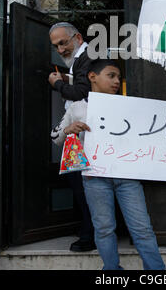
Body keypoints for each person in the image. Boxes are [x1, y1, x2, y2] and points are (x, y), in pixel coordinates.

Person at [51, 59, 166, 270]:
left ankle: (157, 272)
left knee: (142, 228)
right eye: (111, 75)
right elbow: (55, 137)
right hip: (94, 177)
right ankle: (112, 271)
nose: (116, 81)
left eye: (118, 77)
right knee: (103, 228)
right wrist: (69, 130)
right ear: (92, 77)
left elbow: (162, 131)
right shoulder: (77, 108)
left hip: (127, 177)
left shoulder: (132, 106)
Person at [49, 22, 95, 252]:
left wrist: (57, 84)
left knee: (83, 185)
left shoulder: (87, 56)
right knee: (77, 183)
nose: (60, 50)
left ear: (77, 38)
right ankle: (86, 231)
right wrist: (67, 80)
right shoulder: (80, 59)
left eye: (63, 43)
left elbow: (82, 93)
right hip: (75, 136)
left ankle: (89, 236)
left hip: (84, 135)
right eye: (55, 46)